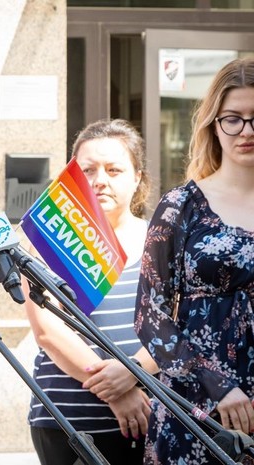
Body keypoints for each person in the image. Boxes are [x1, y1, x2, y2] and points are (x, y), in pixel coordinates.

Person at [135, 57, 254, 465]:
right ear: (213, 124)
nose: (246, 131)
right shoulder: (180, 206)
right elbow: (149, 315)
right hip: (196, 404)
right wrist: (217, 385)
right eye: (233, 119)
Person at [23, 119, 159, 465]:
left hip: (152, 418)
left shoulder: (161, 240)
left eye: (114, 170)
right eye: (88, 170)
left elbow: (177, 326)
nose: (100, 180)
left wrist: (133, 372)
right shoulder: (50, 239)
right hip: (68, 423)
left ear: (137, 177)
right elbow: (48, 332)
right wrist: (115, 393)